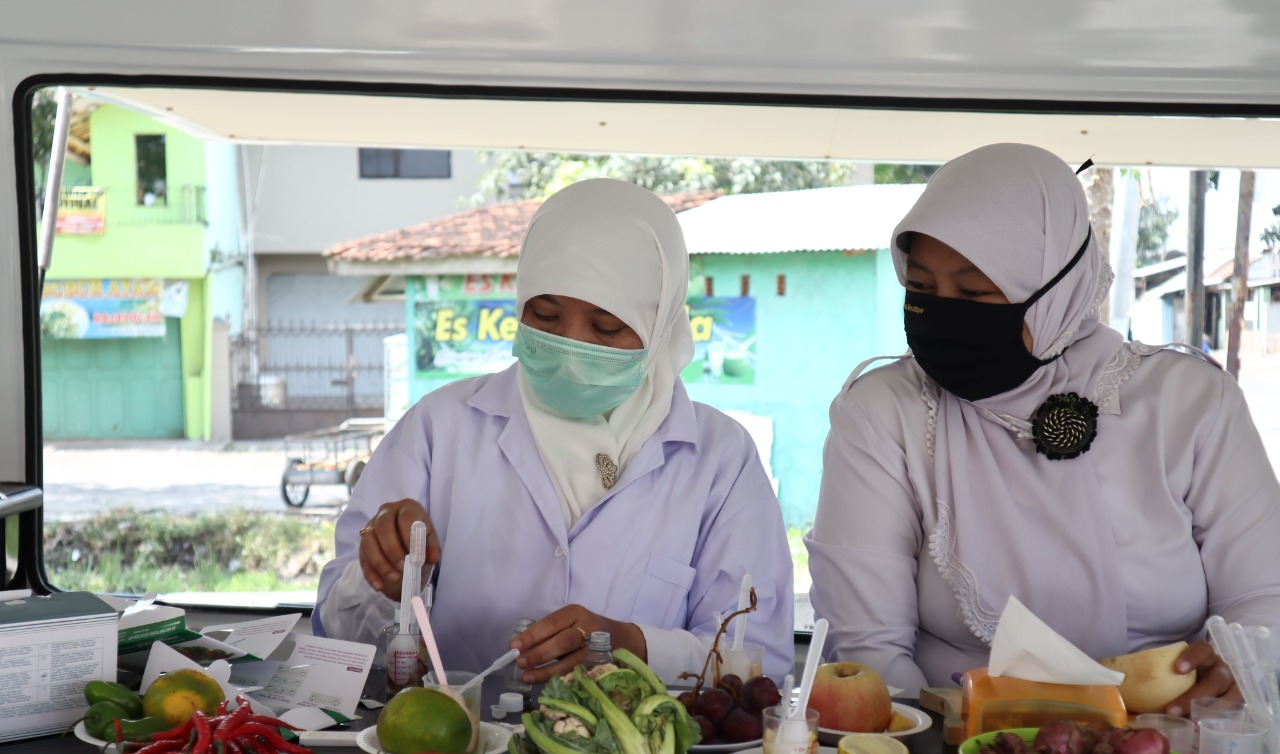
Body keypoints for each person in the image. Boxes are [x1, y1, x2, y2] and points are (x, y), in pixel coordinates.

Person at [807, 143, 1280, 715]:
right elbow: (868, 651)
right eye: (923, 290)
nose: (946, 314)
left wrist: (1239, 663)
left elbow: (1264, 598)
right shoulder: (885, 412)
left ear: (1057, 288)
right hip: (956, 750)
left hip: (1170, 752)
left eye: (977, 293)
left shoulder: (1190, 404)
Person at [313, 178, 794, 685]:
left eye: (607, 328)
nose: (571, 347)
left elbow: (760, 663)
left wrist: (629, 646)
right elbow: (335, 639)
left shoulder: (719, 460)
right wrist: (381, 579)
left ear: (661, 323)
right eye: (544, 316)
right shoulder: (439, 429)